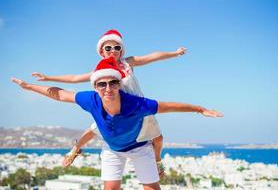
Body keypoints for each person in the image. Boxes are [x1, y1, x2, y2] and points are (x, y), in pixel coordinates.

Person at [12, 57, 223, 190]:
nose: (107, 88)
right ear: (95, 87)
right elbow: (60, 95)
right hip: (112, 149)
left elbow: (168, 106)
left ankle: (157, 162)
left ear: (119, 84)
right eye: (101, 84)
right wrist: (29, 87)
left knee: (151, 187)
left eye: (113, 82)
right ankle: (76, 149)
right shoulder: (90, 99)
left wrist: (199, 109)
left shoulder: (137, 104)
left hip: (139, 148)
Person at [31, 29, 187, 174]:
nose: (113, 50)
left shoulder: (128, 63)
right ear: (101, 51)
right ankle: (75, 149)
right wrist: (49, 77)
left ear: (121, 50)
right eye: (108, 48)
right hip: (112, 108)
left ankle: (157, 159)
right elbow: (74, 78)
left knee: (158, 138)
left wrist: (175, 53)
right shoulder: (100, 71)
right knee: (91, 131)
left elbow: (153, 56)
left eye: (117, 47)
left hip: (137, 107)